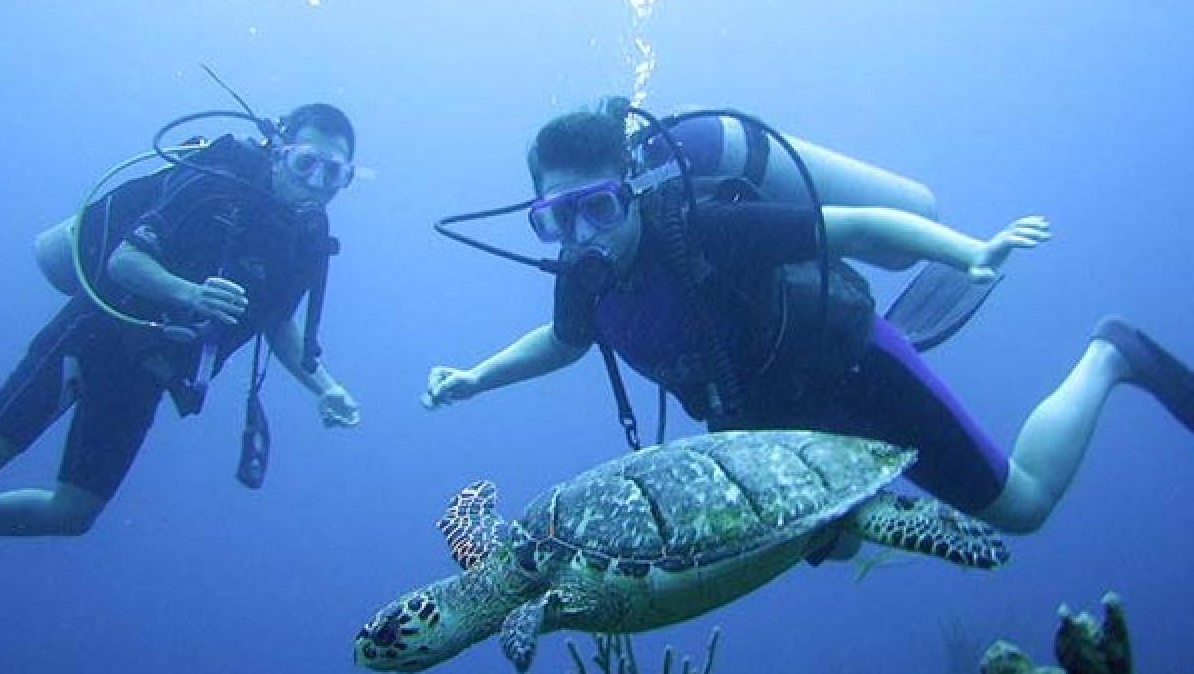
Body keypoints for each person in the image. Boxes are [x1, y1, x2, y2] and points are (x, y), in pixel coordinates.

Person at [423, 106, 1194, 538]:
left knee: (1022, 509)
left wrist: (969, 253)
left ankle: (1110, 354)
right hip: (768, 426)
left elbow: (850, 226)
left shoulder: (703, 232)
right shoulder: (582, 279)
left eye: (598, 207)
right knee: (829, 537)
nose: (583, 236)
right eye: (556, 218)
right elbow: (562, 344)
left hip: (852, 371)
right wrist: (476, 377)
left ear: (633, 193)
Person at [0, 102, 361, 554]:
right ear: (278, 152)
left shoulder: (305, 241)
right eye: (306, 163)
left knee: (73, 513)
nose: (316, 183)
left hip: (149, 373)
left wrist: (324, 388)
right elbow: (124, 262)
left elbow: (278, 322)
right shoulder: (214, 189)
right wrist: (190, 293)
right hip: (98, 333)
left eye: (334, 173)